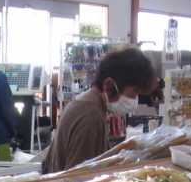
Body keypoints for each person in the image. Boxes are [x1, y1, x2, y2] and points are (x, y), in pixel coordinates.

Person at [42, 46, 157, 175]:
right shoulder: (90, 116)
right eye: (132, 93)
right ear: (108, 85)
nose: (134, 101)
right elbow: (77, 178)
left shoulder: (86, 103)